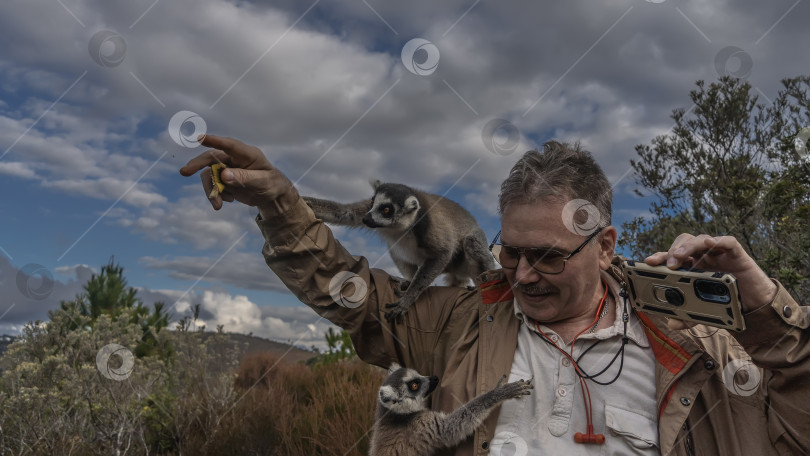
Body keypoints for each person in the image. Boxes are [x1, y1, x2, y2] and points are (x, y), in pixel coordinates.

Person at [180, 134, 809, 456]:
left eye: (548, 257)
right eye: (511, 251)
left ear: (606, 245)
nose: (523, 275)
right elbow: (359, 298)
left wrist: (771, 320)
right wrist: (284, 208)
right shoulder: (466, 320)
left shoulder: (697, 346)